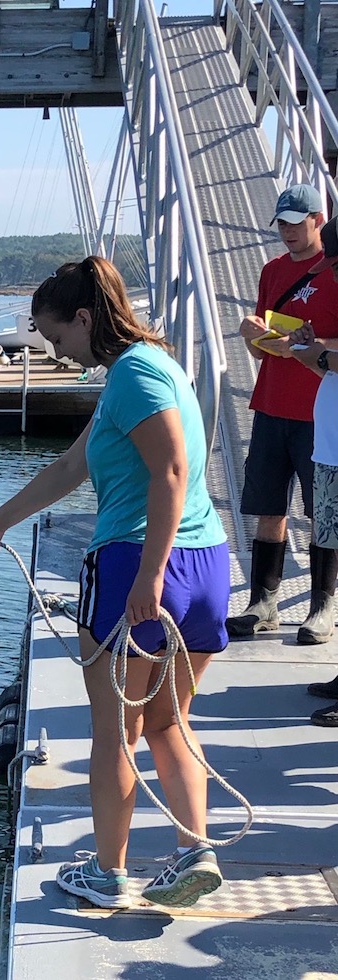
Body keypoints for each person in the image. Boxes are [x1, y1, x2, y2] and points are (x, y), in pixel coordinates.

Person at [0, 257, 229, 910]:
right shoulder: (152, 369)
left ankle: (109, 874)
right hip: (206, 565)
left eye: (58, 338)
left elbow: (169, 469)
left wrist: (146, 576)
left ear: (85, 318)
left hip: (140, 566)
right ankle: (194, 851)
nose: (57, 351)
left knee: (115, 731)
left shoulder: (134, 374)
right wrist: (0, 519)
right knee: (170, 723)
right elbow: (73, 466)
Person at [228, 184, 338, 643]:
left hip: (319, 411)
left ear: (318, 219)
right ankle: (263, 603)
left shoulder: (333, 269)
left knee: (322, 513)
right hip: (271, 404)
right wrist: (250, 332)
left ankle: (322, 608)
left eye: (297, 221)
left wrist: (311, 348)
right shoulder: (272, 271)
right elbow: (260, 349)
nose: (288, 231)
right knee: (268, 507)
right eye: (283, 223)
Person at [279, 214, 338, 728]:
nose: (334, 274)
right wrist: (313, 352)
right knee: (330, 537)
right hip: (331, 448)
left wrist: (320, 354)